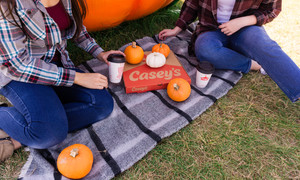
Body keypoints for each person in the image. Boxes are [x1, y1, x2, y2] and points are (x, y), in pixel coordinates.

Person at [0, 0, 125, 162]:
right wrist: (78, 78)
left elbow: (76, 30)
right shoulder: (7, 5)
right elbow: (16, 65)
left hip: (56, 67)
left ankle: (38, 125)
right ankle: (24, 123)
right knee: (49, 135)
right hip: (20, 75)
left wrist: (100, 53)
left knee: (102, 104)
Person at [159, 0, 300, 103]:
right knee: (205, 51)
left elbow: (272, 10)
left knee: (265, 46)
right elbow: (192, 3)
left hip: (245, 27)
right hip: (211, 28)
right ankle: (253, 64)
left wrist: (242, 22)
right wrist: (177, 28)